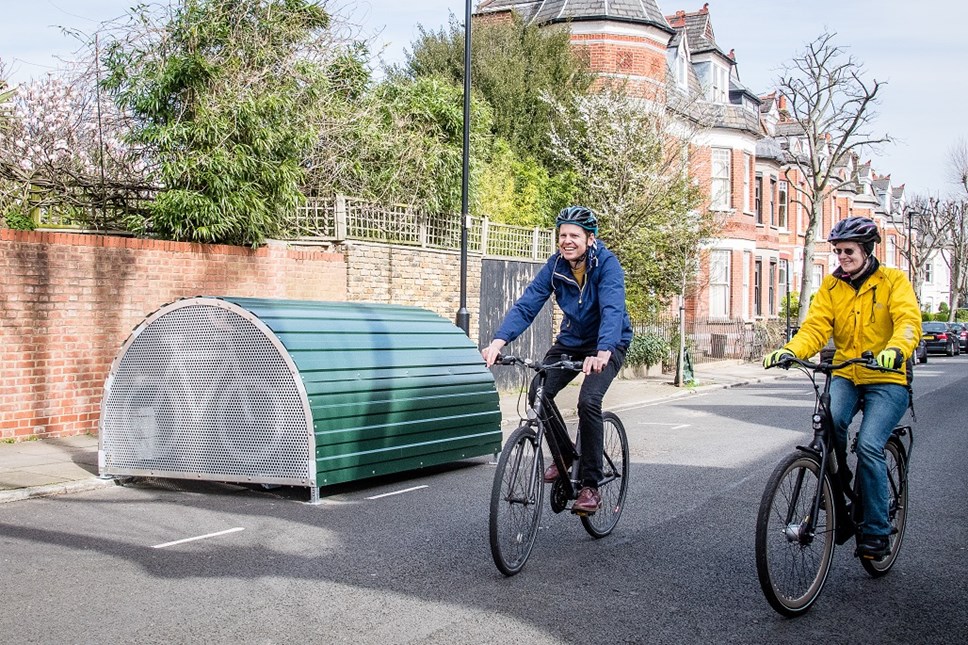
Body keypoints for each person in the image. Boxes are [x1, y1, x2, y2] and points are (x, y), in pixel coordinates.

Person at [763, 216, 920, 559]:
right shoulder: (831, 288)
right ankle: (835, 480)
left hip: (887, 378)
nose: (841, 257)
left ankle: (876, 531)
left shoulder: (893, 281)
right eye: (837, 251)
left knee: (868, 445)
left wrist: (895, 351)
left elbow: (908, 322)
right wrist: (791, 350)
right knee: (828, 422)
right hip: (848, 372)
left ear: (866, 250)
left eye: (848, 251)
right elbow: (814, 329)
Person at [482, 206, 633, 514]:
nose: (566, 241)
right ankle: (565, 455)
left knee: (588, 401)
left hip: (609, 342)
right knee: (538, 388)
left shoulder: (607, 265)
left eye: (574, 235)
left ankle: (590, 485)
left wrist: (603, 351)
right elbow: (527, 305)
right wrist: (498, 341)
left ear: (590, 239)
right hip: (572, 341)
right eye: (562, 235)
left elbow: (612, 310)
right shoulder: (555, 267)